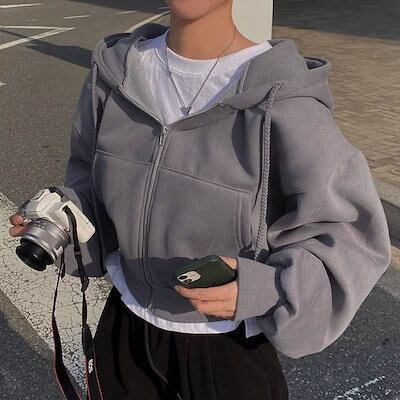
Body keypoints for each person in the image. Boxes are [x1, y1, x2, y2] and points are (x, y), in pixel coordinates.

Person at [9, 0, 392, 399]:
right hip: (124, 330)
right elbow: (91, 182)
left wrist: (267, 288)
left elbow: (350, 233)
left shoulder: (284, 98)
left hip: (226, 349)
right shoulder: (115, 74)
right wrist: (65, 221)